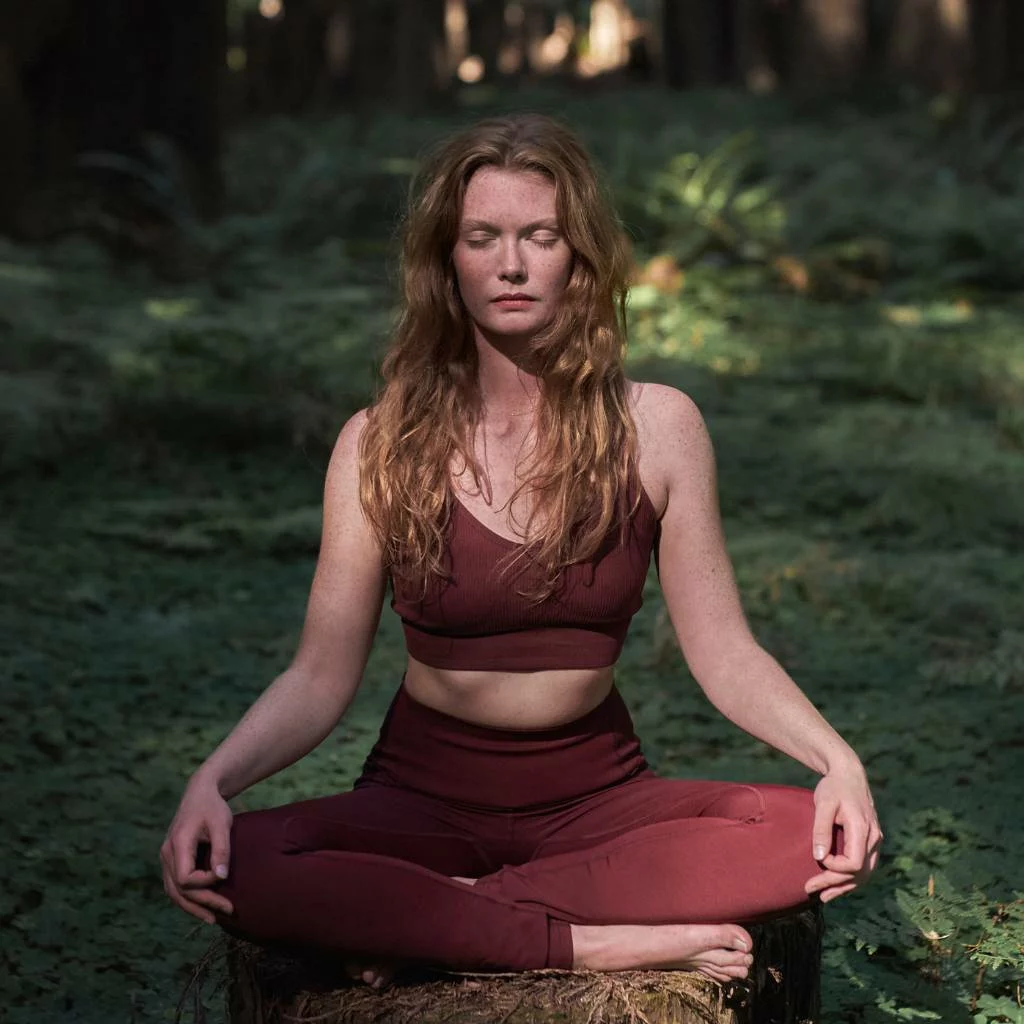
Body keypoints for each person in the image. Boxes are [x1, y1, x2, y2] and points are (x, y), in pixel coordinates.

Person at [159, 113, 882, 990]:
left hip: (599, 799)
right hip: (419, 795)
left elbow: (723, 649)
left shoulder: (658, 428)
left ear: (579, 256)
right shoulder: (376, 443)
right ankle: (588, 940)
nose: (511, 265)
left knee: (797, 833)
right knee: (241, 861)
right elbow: (318, 676)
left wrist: (836, 760)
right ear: (445, 260)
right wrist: (213, 779)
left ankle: (441, 913)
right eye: (482, 238)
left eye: (540, 237)